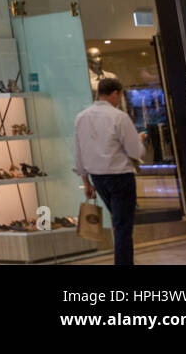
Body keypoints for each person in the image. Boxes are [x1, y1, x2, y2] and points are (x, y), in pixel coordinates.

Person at [74, 77, 147, 265]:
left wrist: (86, 182)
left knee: (118, 222)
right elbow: (135, 151)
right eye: (119, 95)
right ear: (115, 93)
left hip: (98, 178)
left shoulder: (81, 117)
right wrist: (139, 139)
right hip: (120, 177)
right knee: (123, 226)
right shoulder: (119, 117)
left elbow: (79, 152)